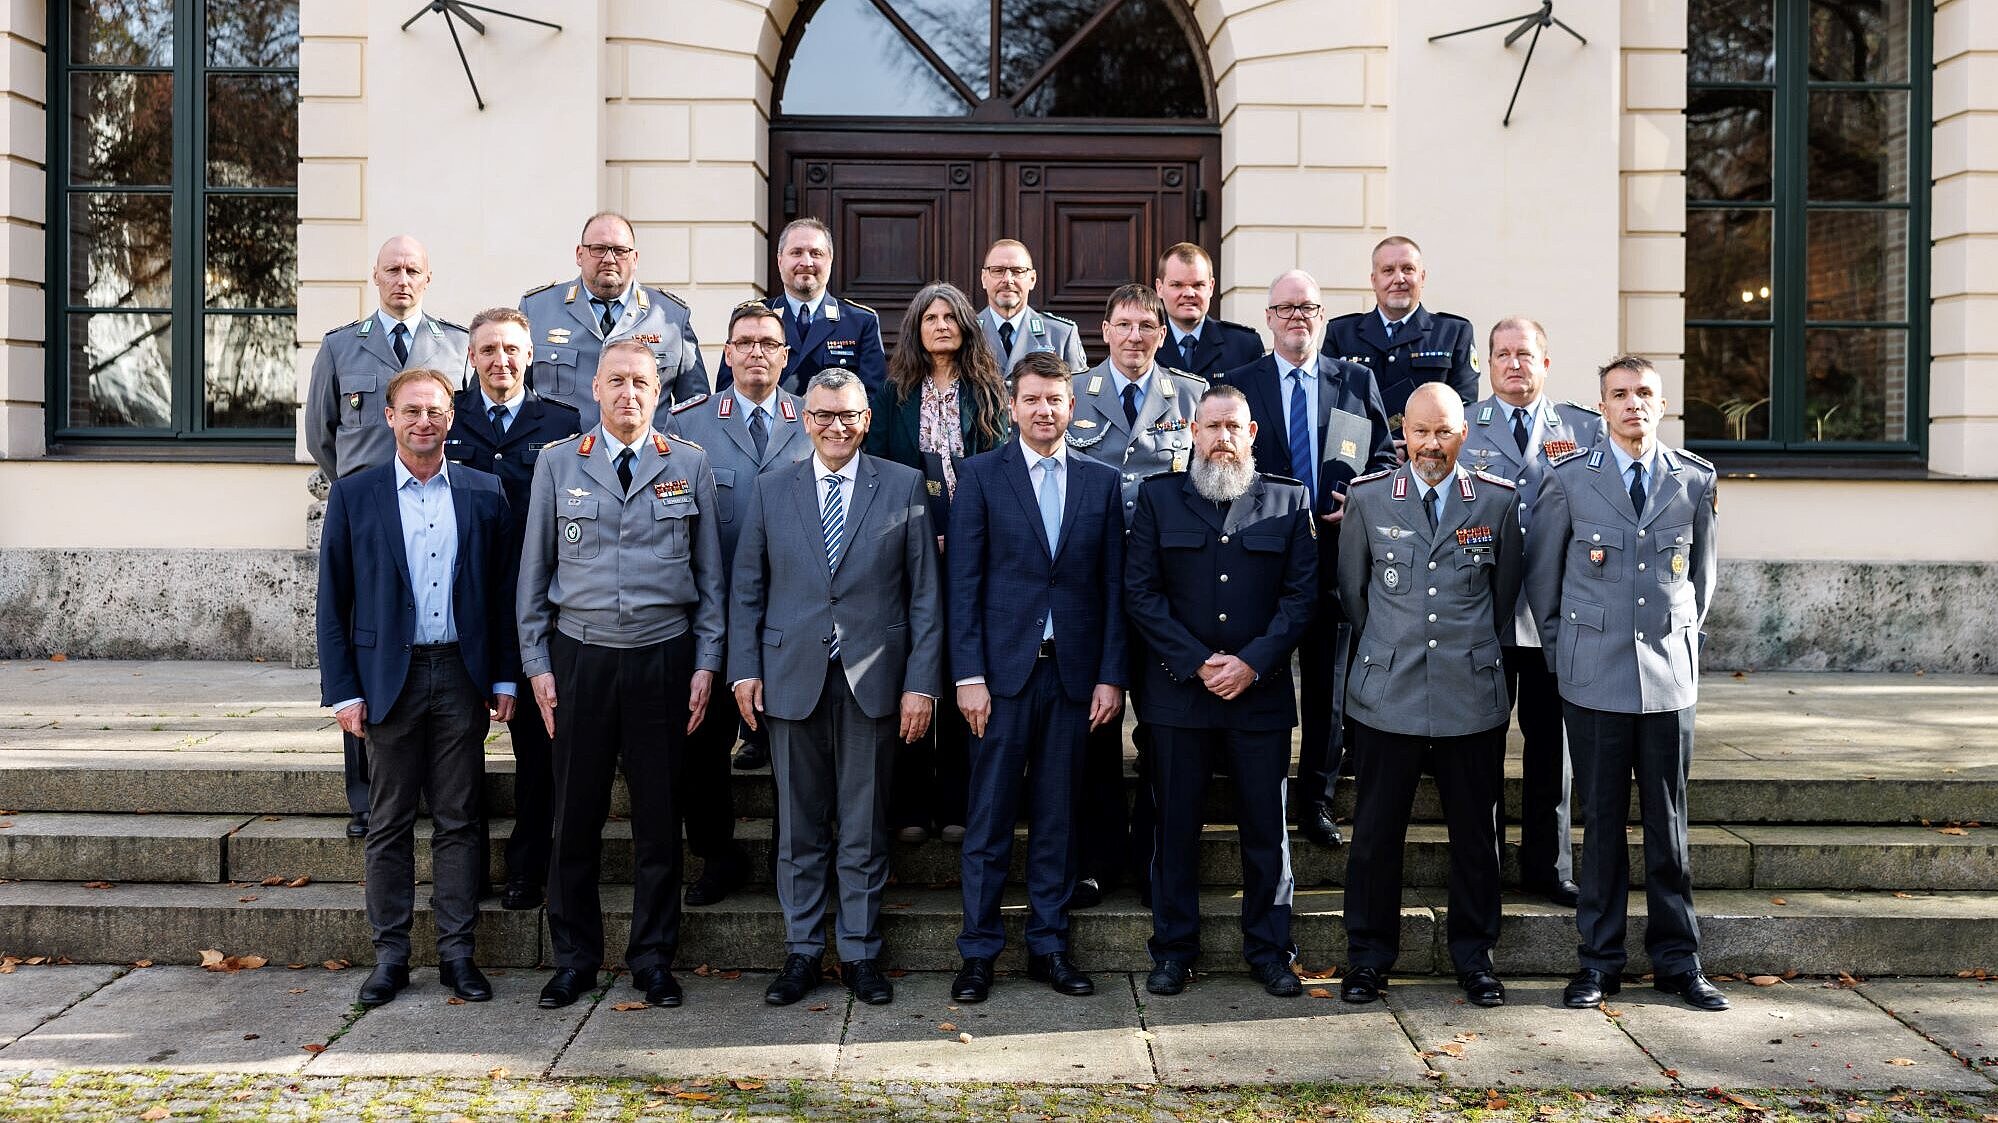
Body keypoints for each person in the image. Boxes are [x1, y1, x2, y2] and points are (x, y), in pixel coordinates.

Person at [516, 340, 727, 1011]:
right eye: (616, 381)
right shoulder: (556, 466)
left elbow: (711, 581)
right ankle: (574, 958)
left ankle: (652, 957)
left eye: (641, 381)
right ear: (595, 389)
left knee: (660, 823)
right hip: (581, 658)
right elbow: (533, 580)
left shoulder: (689, 465)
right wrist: (538, 665)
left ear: (658, 392)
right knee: (573, 817)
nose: (628, 393)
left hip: (664, 657)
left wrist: (707, 663)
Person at [729, 369, 942, 1009]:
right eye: (822, 415)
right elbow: (747, 589)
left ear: (867, 418)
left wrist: (921, 685)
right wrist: (745, 669)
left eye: (847, 414)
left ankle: (859, 953)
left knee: (862, 824)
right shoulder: (771, 490)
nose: (835, 426)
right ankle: (800, 953)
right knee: (798, 828)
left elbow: (925, 597)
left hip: (874, 682)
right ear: (804, 418)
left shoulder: (902, 486)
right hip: (791, 679)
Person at [1526, 356, 1725, 1012]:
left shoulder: (1694, 480)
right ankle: (1599, 962)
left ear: (1661, 404)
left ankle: (1679, 960)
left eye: (1644, 393)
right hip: (1593, 679)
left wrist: (1682, 644)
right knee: (1603, 825)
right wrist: (1563, 656)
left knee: (1669, 825)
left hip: (1669, 682)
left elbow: (1702, 577)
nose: (1633, 403)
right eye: (1620, 394)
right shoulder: (1570, 480)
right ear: (1601, 406)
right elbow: (1543, 580)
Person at [316, 367, 514, 1009]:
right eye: (412, 411)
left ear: (451, 419)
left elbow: (503, 593)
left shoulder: (485, 493)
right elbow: (333, 602)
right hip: (387, 681)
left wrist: (505, 674)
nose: (424, 421)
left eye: (435, 411)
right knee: (389, 820)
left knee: (460, 817)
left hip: (461, 673)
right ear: (390, 418)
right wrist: (344, 691)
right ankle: (391, 957)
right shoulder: (355, 494)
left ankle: (459, 955)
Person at [1336, 383, 1524, 1009]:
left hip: (1469, 693)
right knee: (1375, 835)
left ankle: (1476, 959)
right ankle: (1367, 959)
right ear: (1403, 434)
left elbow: (1503, 600)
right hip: (1388, 692)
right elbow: (1355, 596)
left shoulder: (1495, 504)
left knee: (1476, 836)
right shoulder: (1368, 500)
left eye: (1443, 432)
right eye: (1420, 432)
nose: (1431, 445)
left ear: (1463, 434)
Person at [1125, 384, 1316, 998]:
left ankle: (1269, 951)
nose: (1222, 439)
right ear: (1192, 432)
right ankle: (1173, 951)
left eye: (1234, 428)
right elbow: (1142, 594)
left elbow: (1301, 598)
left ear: (1251, 433)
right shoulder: (1160, 500)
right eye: (1211, 427)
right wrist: (1201, 660)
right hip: (1179, 697)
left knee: (1266, 833)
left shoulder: (1288, 502)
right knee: (1174, 830)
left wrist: (1251, 663)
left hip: (1257, 698)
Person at [946, 353, 1125, 1003]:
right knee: (989, 821)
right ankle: (978, 952)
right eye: (1033, 399)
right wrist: (967, 675)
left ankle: (1049, 944)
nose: (1045, 409)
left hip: (1073, 680)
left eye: (1056, 398)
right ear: (1012, 407)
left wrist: (1111, 676)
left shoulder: (1101, 483)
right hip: (998, 680)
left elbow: (1112, 589)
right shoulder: (981, 476)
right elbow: (962, 586)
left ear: (1072, 407)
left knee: (1057, 822)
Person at [304, 234, 469, 840]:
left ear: (428, 278)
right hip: (368, 516)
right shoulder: (341, 346)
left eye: (413, 270)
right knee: (364, 643)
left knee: (431, 654)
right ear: (374, 276)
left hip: (434, 507)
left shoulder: (454, 345)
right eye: (392, 269)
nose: (402, 279)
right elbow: (322, 436)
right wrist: (357, 494)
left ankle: (431, 790)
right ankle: (366, 801)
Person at [1221, 270, 1395, 848]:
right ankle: (1257, 795)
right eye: (1286, 308)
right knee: (1263, 676)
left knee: (1329, 685)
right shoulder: (1238, 381)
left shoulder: (1354, 381)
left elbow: (1386, 458)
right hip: (1262, 558)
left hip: (1335, 558)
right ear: (1268, 318)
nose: (1297, 317)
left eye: (1308, 308)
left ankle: (1314, 803)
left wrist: (1363, 498)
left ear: (1322, 317)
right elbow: (1222, 461)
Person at [1064, 282, 1208, 907]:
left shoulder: (1192, 397)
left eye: (1147, 326)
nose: (1134, 337)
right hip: (1090, 586)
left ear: (1160, 331)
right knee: (1093, 733)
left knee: (1161, 731)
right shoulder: (1074, 394)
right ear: (1104, 329)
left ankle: (1154, 856)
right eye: (1123, 325)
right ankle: (1095, 860)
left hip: (1166, 592)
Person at [663, 302, 813, 902]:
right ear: (726, 353)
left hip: (793, 617)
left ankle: (790, 857)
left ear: (785, 355)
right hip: (713, 617)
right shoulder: (688, 425)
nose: (756, 352)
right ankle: (716, 855)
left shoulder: (816, 419)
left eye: (768, 343)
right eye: (745, 342)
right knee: (702, 746)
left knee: (792, 747)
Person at [1458, 317, 1602, 909]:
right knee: (1481, 749)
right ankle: (1485, 866)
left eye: (1526, 354)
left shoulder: (1583, 429)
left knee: (1552, 749)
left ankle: (1549, 866)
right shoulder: (1464, 425)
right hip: (1484, 613)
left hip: (1554, 617)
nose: (1514, 364)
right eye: (1502, 355)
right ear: (1487, 365)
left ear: (1546, 363)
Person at [441, 308, 582, 912]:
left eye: (511, 349)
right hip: (461, 602)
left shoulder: (562, 421)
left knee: (537, 749)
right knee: (456, 748)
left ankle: (528, 868)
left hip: (534, 605)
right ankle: (463, 873)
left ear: (531, 357)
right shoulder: (448, 418)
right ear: (471, 358)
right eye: (488, 350)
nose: (501, 360)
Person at [867, 282, 1011, 843]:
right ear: (916, 329)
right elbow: (879, 468)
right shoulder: (893, 395)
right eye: (931, 317)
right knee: (912, 669)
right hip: (909, 548)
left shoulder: (990, 392)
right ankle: (907, 807)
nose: (943, 325)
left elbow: (1000, 471)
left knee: (965, 671)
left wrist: (967, 534)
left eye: (952, 316)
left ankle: (957, 804)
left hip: (977, 552)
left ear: (967, 327)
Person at [519, 211, 706, 429]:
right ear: (579, 254)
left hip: (647, 459)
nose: (609, 259)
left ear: (635, 258)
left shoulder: (671, 316)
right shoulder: (538, 310)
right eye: (598, 249)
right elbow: (512, 393)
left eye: (620, 250)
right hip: (561, 458)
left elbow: (696, 409)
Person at [1323, 236, 1479, 432]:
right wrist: (1378, 447)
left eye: (1408, 269)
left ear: (1422, 277)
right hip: (1360, 455)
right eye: (1388, 270)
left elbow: (1464, 406)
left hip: (1428, 454)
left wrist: (1411, 445)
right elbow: (1328, 404)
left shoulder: (1453, 333)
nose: (1399, 279)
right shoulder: (1342, 333)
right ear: (1374, 280)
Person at [717, 217, 887, 396]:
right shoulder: (748, 318)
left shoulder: (861, 322)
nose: (806, 262)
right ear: (780, 260)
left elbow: (872, 397)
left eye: (816, 253)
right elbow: (728, 391)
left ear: (830, 260)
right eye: (796, 252)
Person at [1153, 242, 1264, 379]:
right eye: (1177, 285)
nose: (1189, 293)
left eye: (1198, 285)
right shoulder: (1146, 343)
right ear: (1160, 288)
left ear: (1211, 287)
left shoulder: (1244, 345)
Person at [976, 239, 1087, 374]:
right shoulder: (966, 331)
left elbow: (1078, 391)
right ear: (983, 278)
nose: (1008, 280)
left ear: (1032, 279)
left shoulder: (1061, 335)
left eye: (1017, 271)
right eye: (998, 270)